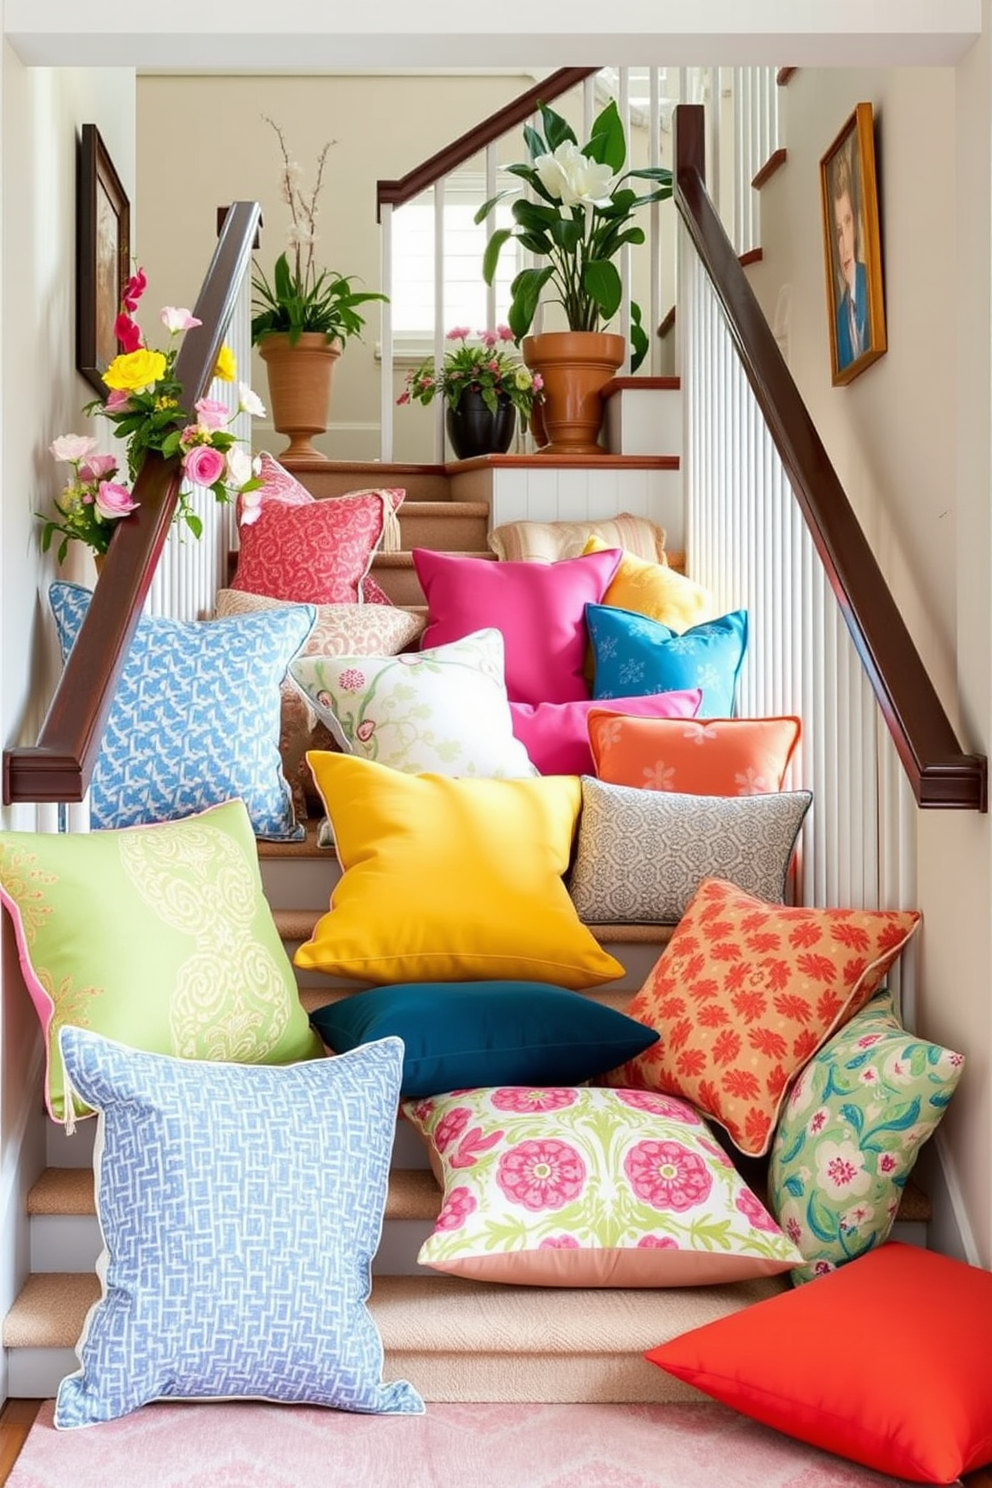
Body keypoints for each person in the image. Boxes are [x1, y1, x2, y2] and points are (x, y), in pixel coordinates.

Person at [831, 149, 868, 371]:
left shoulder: (873, 289)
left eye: (847, 222)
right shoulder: (840, 318)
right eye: (837, 232)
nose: (844, 244)